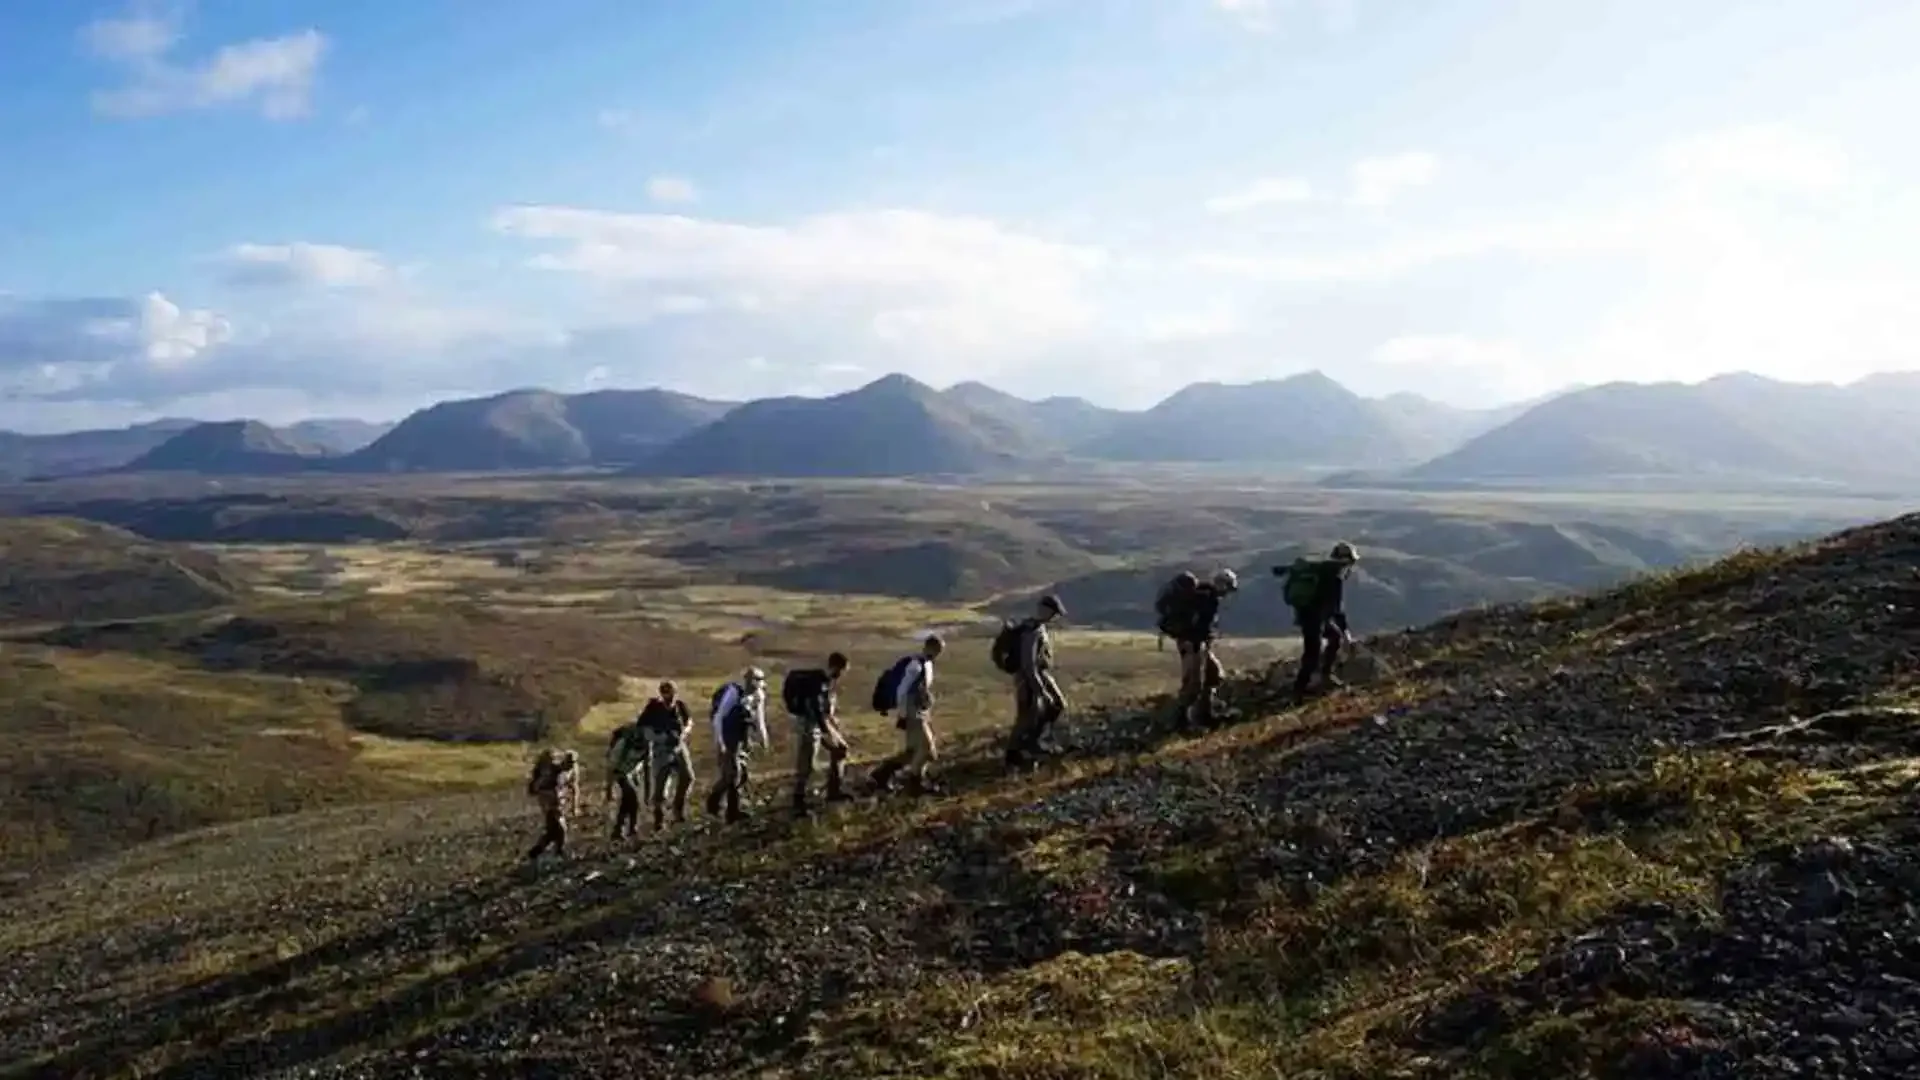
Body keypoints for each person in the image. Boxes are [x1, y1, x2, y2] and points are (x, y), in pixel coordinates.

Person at [1278, 541, 1359, 696]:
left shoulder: (1323, 570)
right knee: (1312, 652)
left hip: (1309, 616)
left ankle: (1323, 677)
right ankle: (1300, 689)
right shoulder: (1334, 576)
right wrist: (1346, 631)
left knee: (1333, 638)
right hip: (1315, 618)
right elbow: (1337, 608)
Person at [869, 634, 945, 795]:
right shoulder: (916, 665)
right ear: (929, 647)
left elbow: (920, 689)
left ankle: (882, 774)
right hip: (913, 712)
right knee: (927, 749)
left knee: (913, 751)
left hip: (918, 711)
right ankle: (914, 783)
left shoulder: (926, 664)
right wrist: (903, 715)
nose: (939, 653)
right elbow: (902, 691)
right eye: (938, 649)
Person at [784, 651, 852, 817]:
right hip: (809, 726)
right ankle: (798, 803)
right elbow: (817, 711)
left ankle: (834, 791)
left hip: (817, 725)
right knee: (807, 763)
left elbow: (824, 711)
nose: (842, 675)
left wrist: (832, 726)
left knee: (841, 749)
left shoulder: (824, 682)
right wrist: (828, 732)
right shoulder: (818, 683)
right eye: (842, 671)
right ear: (836, 667)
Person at [1006, 594, 1068, 769]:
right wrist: (1040, 689)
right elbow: (1028, 663)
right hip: (1029, 678)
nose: (1054, 617)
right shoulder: (1031, 630)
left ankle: (1034, 741)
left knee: (1056, 705)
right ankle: (1014, 754)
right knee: (1026, 716)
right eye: (1053, 612)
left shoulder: (1038, 628)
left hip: (1040, 675)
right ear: (1044, 609)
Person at [1170, 569, 1237, 728]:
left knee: (1213, 674)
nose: (1227, 593)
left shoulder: (1202, 594)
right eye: (1227, 588)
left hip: (1195, 644)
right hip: (1193, 645)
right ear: (1221, 584)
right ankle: (1181, 722)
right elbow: (1199, 625)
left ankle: (1206, 714)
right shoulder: (1207, 598)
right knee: (1193, 684)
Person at [704, 667, 768, 824]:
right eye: (755, 680)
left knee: (740, 773)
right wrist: (720, 742)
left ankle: (731, 811)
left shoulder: (758, 696)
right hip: (728, 735)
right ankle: (716, 802)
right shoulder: (733, 693)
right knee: (733, 773)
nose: (757, 684)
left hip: (742, 735)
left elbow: (759, 718)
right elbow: (719, 717)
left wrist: (763, 738)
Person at [637, 680, 695, 831]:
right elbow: (643, 728)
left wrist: (684, 733)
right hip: (661, 748)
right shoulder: (653, 708)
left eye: (673, 693)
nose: (671, 697)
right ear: (662, 694)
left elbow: (689, 721)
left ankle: (678, 809)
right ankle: (659, 819)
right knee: (661, 784)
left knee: (688, 777)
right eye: (668, 694)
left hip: (679, 745)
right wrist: (659, 738)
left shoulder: (680, 706)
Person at [525, 748, 580, 862]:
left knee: (552, 830)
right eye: (569, 762)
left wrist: (575, 806)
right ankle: (559, 852)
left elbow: (574, 788)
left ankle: (535, 853)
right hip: (549, 801)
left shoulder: (571, 771)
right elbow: (539, 786)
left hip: (557, 801)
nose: (570, 765)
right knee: (561, 828)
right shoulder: (554, 770)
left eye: (572, 763)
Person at [606, 718, 650, 841]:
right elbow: (611, 765)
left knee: (628, 802)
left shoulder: (647, 744)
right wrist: (608, 788)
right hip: (620, 772)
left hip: (632, 774)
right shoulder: (624, 743)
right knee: (633, 798)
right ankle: (631, 829)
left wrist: (648, 792)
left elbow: (648, 768)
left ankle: (618, 831)